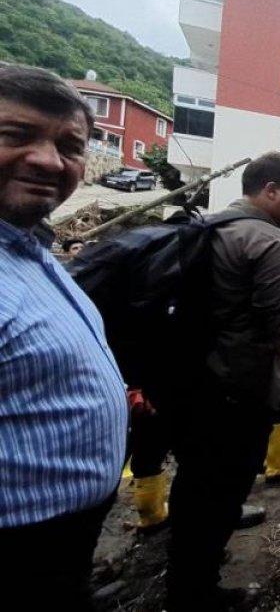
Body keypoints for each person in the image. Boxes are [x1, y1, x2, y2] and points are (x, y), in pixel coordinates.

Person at [166, 152, 280, 608]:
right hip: (239, 387)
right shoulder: (272, 243)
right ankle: (199, 592)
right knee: (223, 488)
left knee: (195, 483)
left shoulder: (206, 229)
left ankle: (184, 578)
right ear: (270, 190)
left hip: (191, 379)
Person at [0, 65, 127, 608]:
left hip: (63, 535)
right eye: (16, 136)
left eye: (70, 145)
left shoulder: (29, 249)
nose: (49, 160)